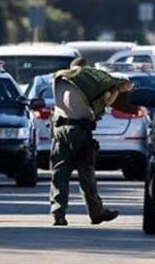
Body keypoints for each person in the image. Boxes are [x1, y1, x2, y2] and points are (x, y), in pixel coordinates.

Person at [49, 57, 137, 226]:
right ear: (85, 69)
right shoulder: (86, 77)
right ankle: (96, 213)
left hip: (59, 130)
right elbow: (120, 87)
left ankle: (58, 214)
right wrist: (117, 90)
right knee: (86, 174)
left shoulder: (58, 79)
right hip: (79, 131)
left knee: (60, 173)